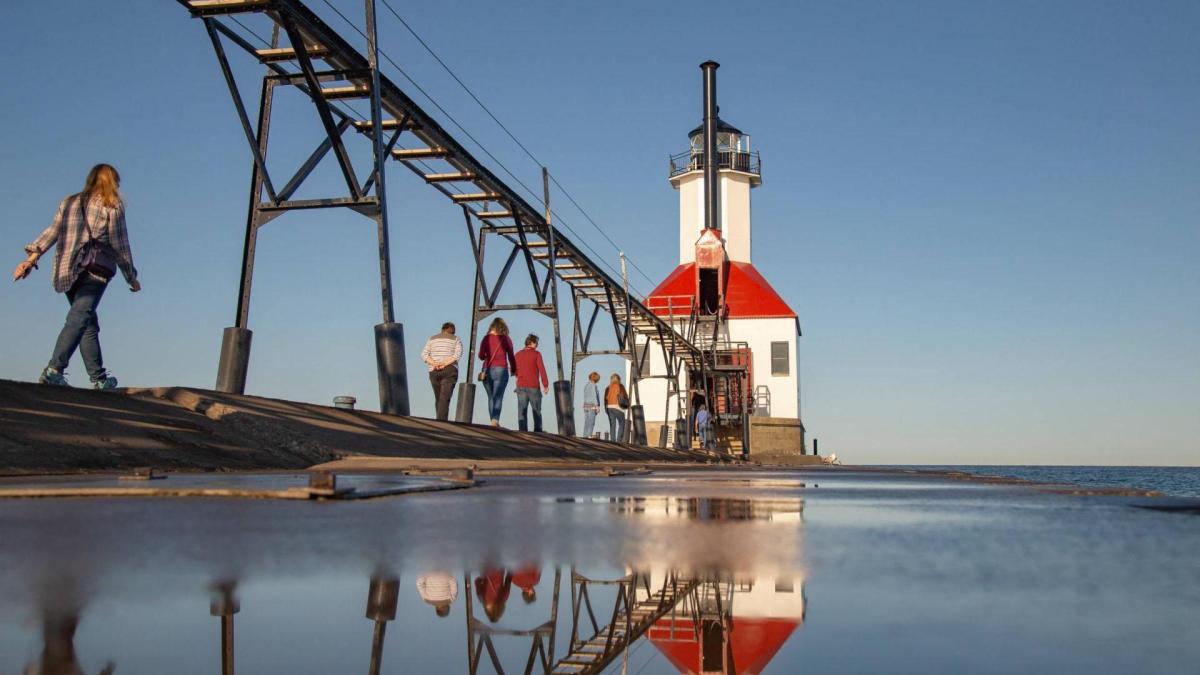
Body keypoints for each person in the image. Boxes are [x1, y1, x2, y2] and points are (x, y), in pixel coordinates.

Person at [13, 164, 140, 389]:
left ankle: (99, 378)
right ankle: (54, 369)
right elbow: (121, 244)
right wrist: (131, 276)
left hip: (66, 269)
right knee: (80, 318)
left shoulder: (69, 202)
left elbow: (52, 231)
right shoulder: (112, 205)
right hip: (94, 269)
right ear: (112, 182)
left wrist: (31, 260)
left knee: (86, 320)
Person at [478, 318, 517, 427]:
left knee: (491, 397)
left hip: (486, 370)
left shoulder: (486, 339)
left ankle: (493, 420)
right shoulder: (506, 339)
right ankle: (495, 420)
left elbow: (481, 356)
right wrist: (513, 369)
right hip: (501, 370)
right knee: (498, 396)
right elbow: (511, 356)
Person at [421, 322, 463, 421]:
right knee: (444, 398)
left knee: (438, 397)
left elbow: (424, 354)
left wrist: (435, 363)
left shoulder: (432, 339)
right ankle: (441, 422)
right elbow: (457, 355)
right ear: (453, 331)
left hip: (433, 371)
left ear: (442, 330)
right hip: (449, 370)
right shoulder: (456, 339)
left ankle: (439, 420)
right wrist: (444, 363)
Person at [513, 334, 549, 432]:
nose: (537, 345)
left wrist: (518, 375)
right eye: (536, 342)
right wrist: (545, 385)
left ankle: (522, 431)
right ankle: (538, 432)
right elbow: (542, 370)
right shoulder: (536, 354)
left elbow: (513, 370)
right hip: (533, 386)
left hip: (520, 386)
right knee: (536, 410)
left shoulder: (517, 354)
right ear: (531, 343)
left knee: (522, 411)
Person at [604, 374, 629, 443]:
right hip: (617, 407)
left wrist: (606, 409)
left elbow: (605, 399)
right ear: (618, 379)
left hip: (609, 407)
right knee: (621, 423)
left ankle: (613, 441)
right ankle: (618, 441)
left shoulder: (608, 387)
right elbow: (625, 396)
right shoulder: (620, 386)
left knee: (612, 425)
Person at [581, 371, 602, 438]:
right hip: (592, 405)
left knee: (586, 421)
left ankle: (585, 435)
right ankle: (589, 435)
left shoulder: (586, 385)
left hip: (585, 405)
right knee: (591, 421)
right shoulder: (593, 385)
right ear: (596, 378)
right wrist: (597, 406)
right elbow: (594, 396)